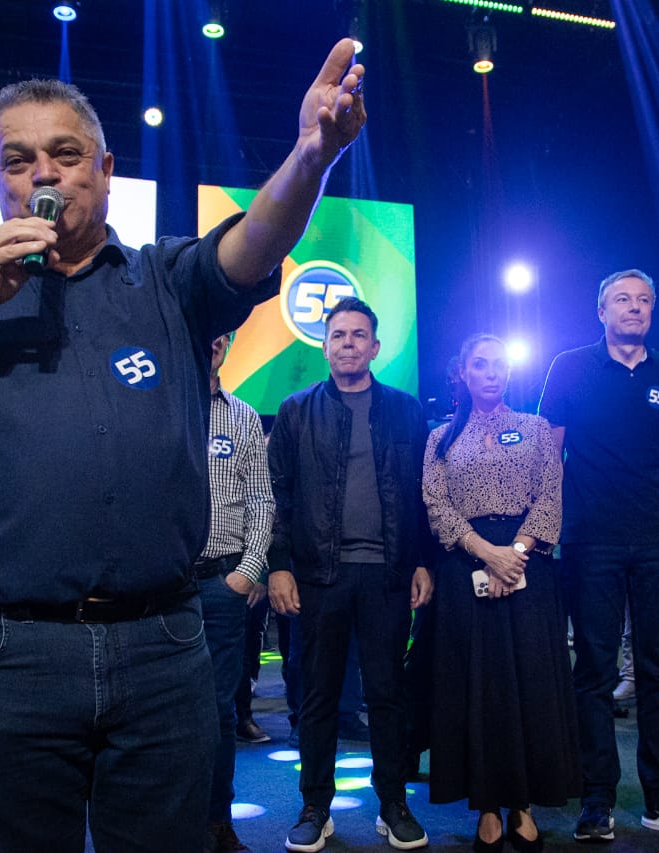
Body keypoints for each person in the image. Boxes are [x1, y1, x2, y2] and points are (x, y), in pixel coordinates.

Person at [0, 39, 366, 851]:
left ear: (105, 168)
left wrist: (310, 156)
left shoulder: (164, 279)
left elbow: (253, 245)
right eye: (18, 161)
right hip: (3, 648)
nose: (44, 174)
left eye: (65, 153)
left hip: (161, 643)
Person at [538, 269, 659, 843]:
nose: (635, 308)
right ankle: (597, 797)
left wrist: (643, 505)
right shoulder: (569, 365)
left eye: (645, 299)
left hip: (658, 540)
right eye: (623, 299)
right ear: (601, 310)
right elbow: (550, 450)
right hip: (591, 538)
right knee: (593, 671)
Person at [267, 297, 434, 852]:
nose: (348, 344)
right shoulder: (295, 410)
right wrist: (280, 567)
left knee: (387, 696)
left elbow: (421, 495)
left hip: (387, 576)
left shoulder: (406, 410)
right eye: (338, 335)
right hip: (318, 577)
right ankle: (316, 806)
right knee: (317, 698)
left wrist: (422, 561)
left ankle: (393, 803)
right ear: (325, 344)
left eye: (359, 335)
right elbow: (279, 498)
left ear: (375, 347)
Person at [421, 333, 579, 851]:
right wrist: (487, 553)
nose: (491, 372)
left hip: (528, 570)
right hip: (465, 572)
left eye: (499, 365)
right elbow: (436, 505)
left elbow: (550, 495)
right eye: (480, 365)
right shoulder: (441, 437)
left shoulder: (533, 429)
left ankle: (524, 803)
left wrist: (516, 552)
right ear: (462, 373)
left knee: (528, 686)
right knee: (477, 689)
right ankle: (488, 805)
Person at [198, 331, 276, 853]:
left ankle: (217, 823)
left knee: (220, 712)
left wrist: (249, 571)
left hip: (222, 583)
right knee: (158, 716)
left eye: (216, 338)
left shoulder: (243, 416)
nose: (208, 345)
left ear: (224, 344)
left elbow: (261, 501)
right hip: (159, 589)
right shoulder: (153, 404)